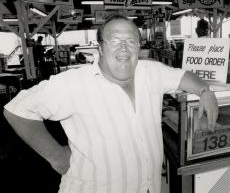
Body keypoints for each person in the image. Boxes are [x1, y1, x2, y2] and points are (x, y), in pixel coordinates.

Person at [3, 13, 218, 193]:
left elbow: (182, 76)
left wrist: (204, 90)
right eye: (114, 40)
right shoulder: (74, 83)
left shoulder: (150, 71)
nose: (123, 48)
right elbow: (17, 110)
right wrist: (56, 157)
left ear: (138, 46)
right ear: (100, 48)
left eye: (131, 41)